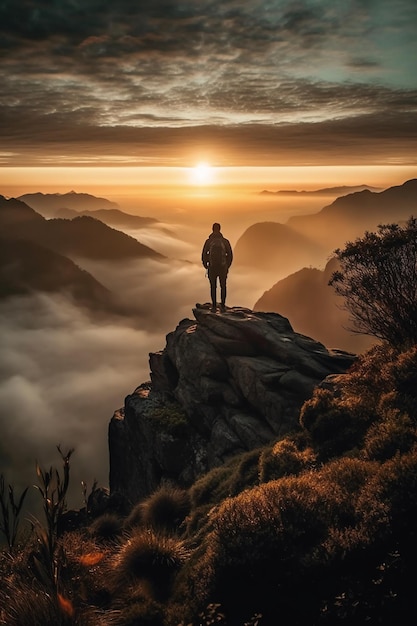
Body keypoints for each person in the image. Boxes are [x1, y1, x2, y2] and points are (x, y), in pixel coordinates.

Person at [201, 222, 233, 312]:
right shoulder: (225, 241)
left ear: (212, 229)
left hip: (212, 267)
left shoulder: (208, 241)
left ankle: (214, 306)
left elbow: (204, 254)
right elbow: (230, 255)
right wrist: (227, 266)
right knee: (223, 286)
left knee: (213, 287)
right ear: (220, 229)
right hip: (223, 267)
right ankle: (223, 306)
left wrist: (206, 265)